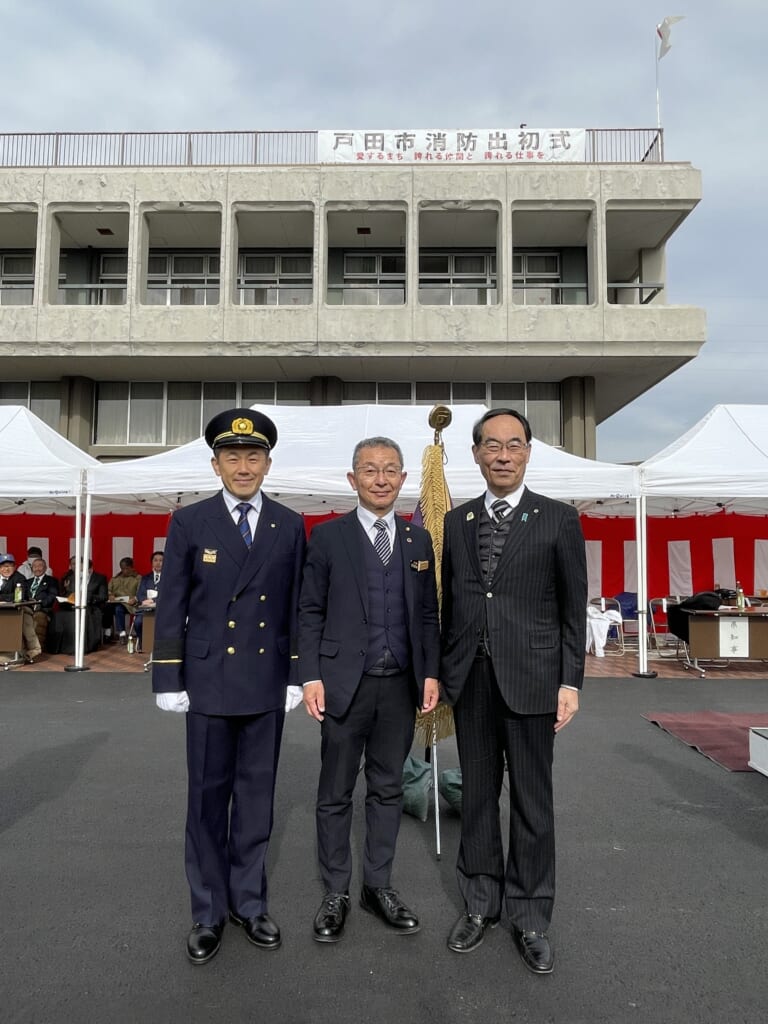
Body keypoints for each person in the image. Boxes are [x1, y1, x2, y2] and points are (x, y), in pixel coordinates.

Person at [152, 409, 306, 966]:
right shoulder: (190, 522)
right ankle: (208, 910)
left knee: (258, 799)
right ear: (215, 463)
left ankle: (249, 901)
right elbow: (171, 604)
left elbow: (295, 607)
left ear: (268, 462)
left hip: (265, 680)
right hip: (209, 681)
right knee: (207, 799)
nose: (244, 467)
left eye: (254, 456)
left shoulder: (289, 525)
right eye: (233, 457)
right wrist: (167, 674)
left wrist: (295, 671)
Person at [439, 408, 587, 974]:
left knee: (532, 801)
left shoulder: (557, 519)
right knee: (476, 796)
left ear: (529, 452)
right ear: (476, 453)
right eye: (492, 445)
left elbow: (574, 609)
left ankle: (529, 915)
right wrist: (440, 673)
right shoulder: (457, 520)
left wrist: (569, 681)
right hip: (472, 682)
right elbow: (453, 604)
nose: (503, 455)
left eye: (514, 444)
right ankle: (481, 903)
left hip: (533, 681)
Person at [299, 436, 440, 944]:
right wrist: (310, 675)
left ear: (403, 479)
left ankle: (377, 886)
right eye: (369, 470)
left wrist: (429, 671)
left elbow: (426, 614)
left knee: (386, 790)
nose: (380, 479)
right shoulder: (327, 537)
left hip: (399, 686)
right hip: (342, 686)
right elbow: (310, 609)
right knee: (335, 792)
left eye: (389, 470)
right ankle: (335, 890)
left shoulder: (416, 542)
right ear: (352, 479)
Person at [47, 558, 108, 655]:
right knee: (58, 614)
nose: (79, 569)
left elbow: (103, 596)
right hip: (72, 606)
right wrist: (68, 598)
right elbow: (68, 594)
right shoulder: (71, 578)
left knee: (82, 613)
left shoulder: (99, 578)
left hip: (90, 607)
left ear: (89, 567)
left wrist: (86, 596)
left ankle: (81, 647)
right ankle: (59, 646)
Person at [0, 553, 43, 662]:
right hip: (2, 610)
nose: (6, 569)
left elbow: (19, 596)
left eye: (9, 566)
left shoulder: (19, 578)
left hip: (20, 609)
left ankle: (34, 649)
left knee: (22, 618)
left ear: (14, 567)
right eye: (4, 566)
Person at [103, 556, 141, 642]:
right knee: (106, 607)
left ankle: (122, 633)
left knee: (118, 608)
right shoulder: (115, 579)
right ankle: (108, 631)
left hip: (130, 604)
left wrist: (135, 599)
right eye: (122, 568)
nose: (124, 571)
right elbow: (108, 590)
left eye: (127, 569)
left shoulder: (138, 578)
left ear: (132, 567)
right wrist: (110, 595)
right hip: (115, 603)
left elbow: (140, 592)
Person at [27, 557, 59, 650]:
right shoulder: (27, 582)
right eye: (35, 566)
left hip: (43, 609)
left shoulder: (52, 581)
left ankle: (37, 649)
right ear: (32, 568)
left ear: (45, 568)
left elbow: (52, 596)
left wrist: (38, 604)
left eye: (40, 566)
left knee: (38, 618)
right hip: (27, 609)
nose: (37, 568)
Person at [134, 550, 163, 650]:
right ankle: (144, 643)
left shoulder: (168, 578)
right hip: (145, 609)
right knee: (138, 623)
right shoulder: (145, 578)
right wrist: (143, 600)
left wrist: (154, 601)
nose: (158, 563)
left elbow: (168, 594)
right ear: (152, 562)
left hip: (161, 610)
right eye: (155, 560)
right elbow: (140, 594)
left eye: (161, 560)